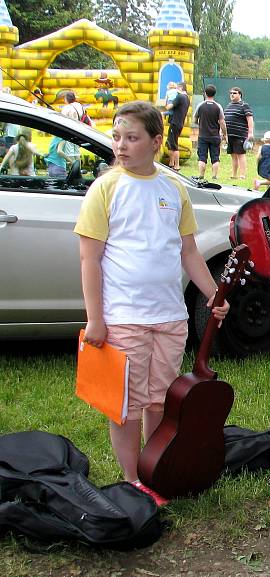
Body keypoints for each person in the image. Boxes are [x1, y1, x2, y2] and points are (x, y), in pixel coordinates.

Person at [74, 101, 229, 507]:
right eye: (117, 137)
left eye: (132, 137)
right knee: (124, 407)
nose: (121, 146)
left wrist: (214, 294)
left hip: (170, 318)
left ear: (157, 141)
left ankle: (153, 472)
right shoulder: (105, 188)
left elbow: (190, 252)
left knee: (160, 402)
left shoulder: (173, 188)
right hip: (123, 318)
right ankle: (130, 482)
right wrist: (96, 319)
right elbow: (90, 259)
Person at [194, 84, 228, 180]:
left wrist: (200, 125)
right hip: (215, 136)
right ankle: (214, 176)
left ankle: (201, 175)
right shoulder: (218, 107)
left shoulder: (200, 105)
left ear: (205, 93)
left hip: (202, 136)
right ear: (214, 94)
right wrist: (225, 134)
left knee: (202, 157)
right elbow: (222, 122)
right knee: (215, 157)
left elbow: (194, 119)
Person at [224, 87, 254, 180]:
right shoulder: (229, 105)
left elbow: (250, 119)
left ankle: (242, 175)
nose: (232, 95)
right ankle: (233, 175)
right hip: (230, 135)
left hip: (240, 135)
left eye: (234, 93)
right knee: (233, 155)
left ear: (239, 94)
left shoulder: (244, 105)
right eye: (231, 93)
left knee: (240, 155)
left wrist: (250, 132)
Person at [165, 82, 189, 171]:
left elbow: (169, 107)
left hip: (175, 122)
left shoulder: (180, 97)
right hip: (179, 123)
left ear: (181, 88)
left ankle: (176, 166)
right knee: (170, 142)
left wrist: (166, 104)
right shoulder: (186, 98)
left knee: (174, 144)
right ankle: (171, 163)